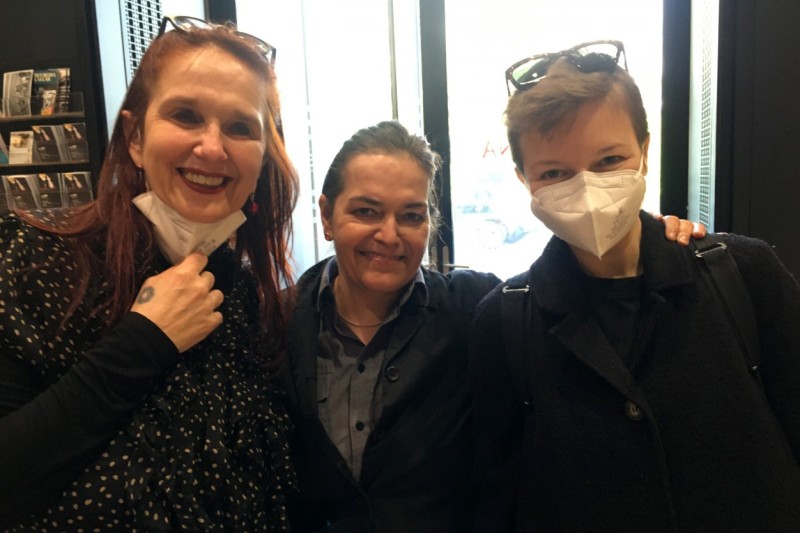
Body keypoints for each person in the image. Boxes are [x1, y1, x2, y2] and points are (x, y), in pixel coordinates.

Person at [282, 120, 703, 532]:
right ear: (327, 215)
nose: (389, 235)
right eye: (366, 211)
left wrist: (644, 238)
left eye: (411, 216)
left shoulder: (477, 308)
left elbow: (582, 302)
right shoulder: (276, 323)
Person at [469, 40, 800, 532]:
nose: (587, 189)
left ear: (644, 150)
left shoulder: (743, 276)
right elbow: (496, 500)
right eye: (555, 173)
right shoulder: (505, 320)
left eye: (608, 161)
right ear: (524, 179)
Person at [0, 16, 299, 530]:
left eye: (240, 127)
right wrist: (143, 342)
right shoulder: (34, 260)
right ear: (135, 138)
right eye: (185, 116)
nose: (212, 147)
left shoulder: (252, 297)